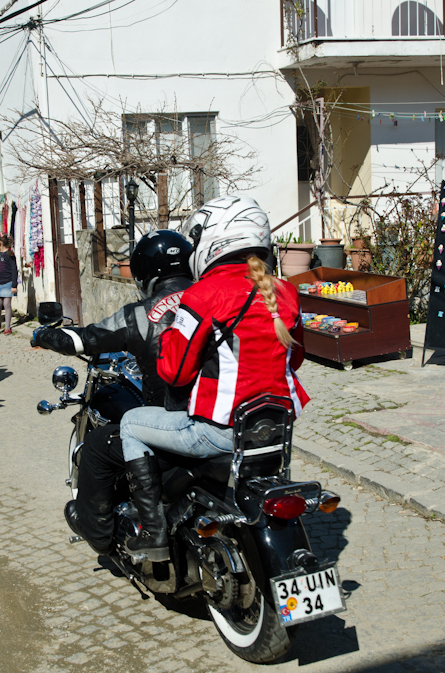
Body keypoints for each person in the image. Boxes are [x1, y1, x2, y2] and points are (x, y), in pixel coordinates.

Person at [118, 197, 311, 560]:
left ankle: (154, 533)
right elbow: (294, 359)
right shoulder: (285, 292)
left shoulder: (203, 293)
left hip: (217, 431)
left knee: (129, 423)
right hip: (274, 429)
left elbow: (174, 372)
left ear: (212, 239)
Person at [32, 229, 194, 554]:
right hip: (220, 418)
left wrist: (42, 335)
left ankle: (99, 531)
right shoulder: (215, 299)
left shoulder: (140, 314)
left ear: (144, 273)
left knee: (96, 446)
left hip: (175, 430)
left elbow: (82, 340)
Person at [0, 234, 18, 335]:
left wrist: (14, 285)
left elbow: (14, 270)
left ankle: (7, 326)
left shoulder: (9, 255)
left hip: (8, 283)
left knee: (7, 305)